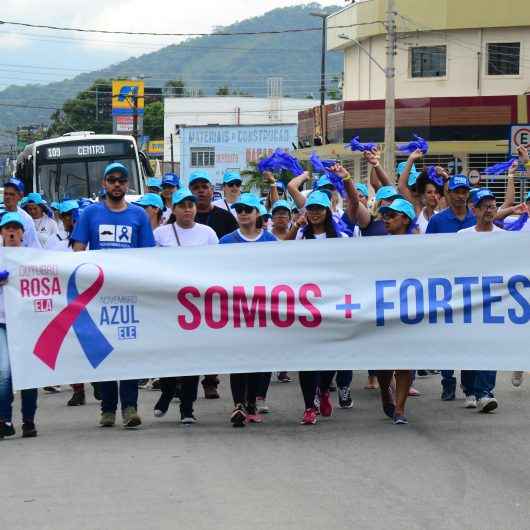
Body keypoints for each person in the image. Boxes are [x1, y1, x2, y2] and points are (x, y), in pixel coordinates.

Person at [71, 162, 155, 429]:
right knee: (104, 351)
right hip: (99, 295)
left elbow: (149, 257)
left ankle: (130, 408)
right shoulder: (90, 214)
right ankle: (107, 409)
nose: (117, 184)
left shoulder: (139, 215)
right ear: (104, 184)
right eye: (112, 180)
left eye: (121, 180)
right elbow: (78, 249)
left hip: (129, 295)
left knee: (127, 351)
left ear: (127, 184)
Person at [152, 188, 218, 423]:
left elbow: (218, 266)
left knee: (192, 357)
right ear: (174, 209)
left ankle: (187, 409)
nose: (188, 209)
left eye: (191, 204)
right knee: (168, 353)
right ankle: (168, 391)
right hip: (168, 304)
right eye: (183, 205)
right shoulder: (160, 234)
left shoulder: (208, 234)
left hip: (196, 305)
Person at [219, 193, 277, 427]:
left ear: (258, 214)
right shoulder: (226, 241)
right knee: (238, 359)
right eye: (239, 209)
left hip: (262, 308)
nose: (243, 213)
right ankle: (238, 405)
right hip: (236, 308)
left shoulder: (270, 241)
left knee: (257, 360)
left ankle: (252, 403)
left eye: (248, 209)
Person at [425, 175, 477, 401]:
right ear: (448, 194)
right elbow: (426, 250)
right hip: (445, 286)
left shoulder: (476, 218)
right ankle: (447, 380)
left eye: (464, 191)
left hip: (471, 286)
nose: (460, 195)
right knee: (446, 335)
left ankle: (468, 381)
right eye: (456, 191)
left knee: (469, 335)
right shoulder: (438, 221)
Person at [189, 170, 238, 399]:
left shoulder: (226, 218)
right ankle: (185, 380)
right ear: (190, 191)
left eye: (204, 186)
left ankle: (210, 380)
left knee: (211, 335)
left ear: (211, 190)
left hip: (215, 285)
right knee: (189, 336)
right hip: (186, 286)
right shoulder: (183, 215)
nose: (200, 190)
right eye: (196, 186)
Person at [455, 188, 503, 413]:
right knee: (470, 345)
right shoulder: (463, 236)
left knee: (491, 344)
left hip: (495, 301)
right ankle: (470, 389)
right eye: (484, 206)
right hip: (468, 300)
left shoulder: (505, 237)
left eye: (493, 206)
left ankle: (485, 393)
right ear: (473, 210)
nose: (489, 210)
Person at [0, 212, 38, 439]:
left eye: (16, 228)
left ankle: (28, 420)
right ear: (1, 232)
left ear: (24, 233)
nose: (12, 232)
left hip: (27, 322)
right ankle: (4, 419)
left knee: (29, 373)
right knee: (4, 372)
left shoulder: (34, 257)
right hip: (2, 322)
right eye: (7, 228)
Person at [1, 178, 41, 249]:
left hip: (19, 258)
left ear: (20, 196)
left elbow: (34, 246)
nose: (7, 197)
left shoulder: (26, 219)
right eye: (5, 194)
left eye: (12, 194)